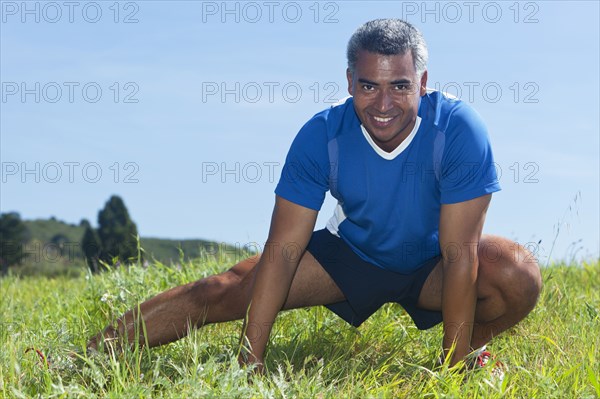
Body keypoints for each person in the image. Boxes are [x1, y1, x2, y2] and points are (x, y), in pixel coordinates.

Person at [88, 19, 542, 375]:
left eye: (399, 86)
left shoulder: (459, 129)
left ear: (422, 82)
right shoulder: (321, 135)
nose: (383, 103)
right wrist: (252, 360)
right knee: (219, 291)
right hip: (350, 255)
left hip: (431, 265)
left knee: (516, 272)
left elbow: (460, 255)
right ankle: (89, 357)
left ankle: (466, 357)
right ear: (349, 82)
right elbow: (283, 253)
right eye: (369, 86)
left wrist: (449, 373)